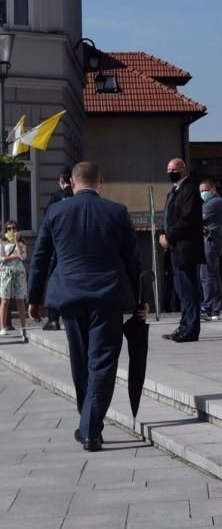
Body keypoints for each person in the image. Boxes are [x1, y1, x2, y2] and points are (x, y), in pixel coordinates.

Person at [27, 161, 145, 452]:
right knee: (102, 363)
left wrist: (34, 298)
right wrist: (141, 302)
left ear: (71, 182)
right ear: (100, 181)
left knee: (80, 363)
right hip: (107, 297)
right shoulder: (117, 212)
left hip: (69, 298)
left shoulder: (55, 211)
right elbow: (134, 261)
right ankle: (91, 427)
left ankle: (88, 424)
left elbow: (40, 257)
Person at [159, 157, 203, 342]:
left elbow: (187, 218)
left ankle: (191, 329)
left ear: (183, 169)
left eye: (174, 169)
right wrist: (163, 234)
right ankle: (184, 325)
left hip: (186, 248)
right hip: (175, 249)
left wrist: (169, 237)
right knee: (181, 290)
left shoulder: (190, 189)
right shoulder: (174, 190)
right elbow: (169, 216)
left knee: (189, 290)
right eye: (168, 169)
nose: (171, 172)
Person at [42, 168, 71, 330]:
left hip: (58, 247)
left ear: (61, 179)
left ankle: (53, 319)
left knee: (54, 280)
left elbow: (47, 221)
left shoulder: (56, 197)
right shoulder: (77, 196)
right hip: (75, 248)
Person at [198, 179, 222, 321]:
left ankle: (208, 307)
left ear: (213, 190)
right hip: (212, 241)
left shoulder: (214, 203)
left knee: (207, 276)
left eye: (205, 190)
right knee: (213, 276)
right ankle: (214, 309)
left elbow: (196, 218)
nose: (203, 193)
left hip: (210, 242)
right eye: (201, 191)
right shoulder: (215, 202)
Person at [0, 221, 26, 338]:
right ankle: (2, 327)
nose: (11, 231)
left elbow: (23, 256)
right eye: (8, 228)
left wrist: (16, 241)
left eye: (13, 228)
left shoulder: (21, 243)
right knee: (5, 300)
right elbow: (1, 258)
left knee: (20, 300)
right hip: (6, 273)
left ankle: (23, 327)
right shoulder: (2, 242)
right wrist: (15, 256)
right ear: (5, 230)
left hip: (19, 273)